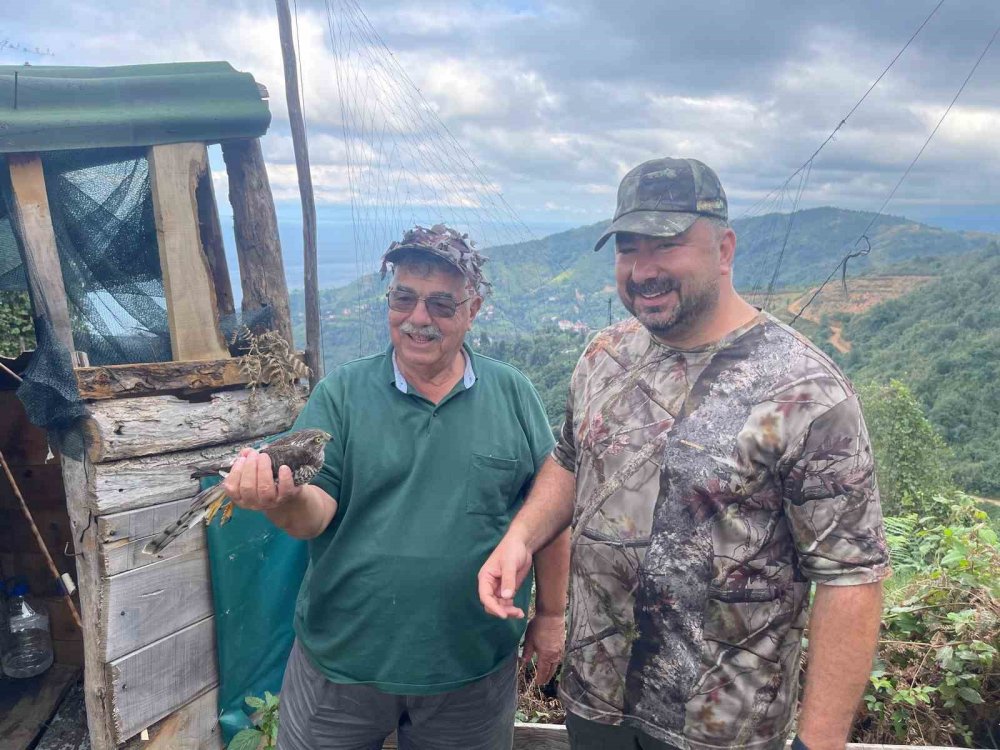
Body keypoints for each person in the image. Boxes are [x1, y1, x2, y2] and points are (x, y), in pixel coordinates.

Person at [479, 158, 890, 750]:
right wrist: (520, 538)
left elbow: (852, 577)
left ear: (724, 249)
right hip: (597, 701)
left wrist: (819, 741)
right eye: (628, 248)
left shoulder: (807, 392)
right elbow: (571, 460)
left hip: (724, 727)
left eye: (667, 245)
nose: (643, 269)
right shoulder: (604, 357)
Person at [224, 224, 569, 750]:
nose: (417, 318)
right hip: (340, 668)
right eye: (403, 298)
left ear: (472, 310)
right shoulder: (340, 394)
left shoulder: (514, 394)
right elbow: (314, 513)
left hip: (470, 672)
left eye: (440, 305)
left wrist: (550, 615)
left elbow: (548, 506)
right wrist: (284, 498)